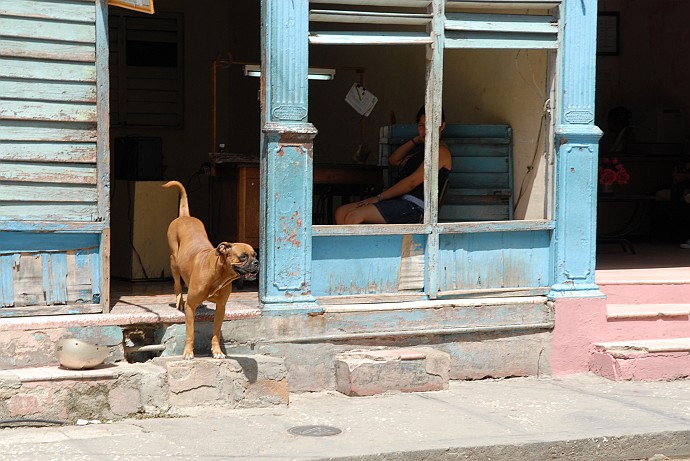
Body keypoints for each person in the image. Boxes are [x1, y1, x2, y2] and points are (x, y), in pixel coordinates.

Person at [334, 106, 452, 224]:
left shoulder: (441, 152)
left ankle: (355, 243)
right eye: (421, 126)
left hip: (416, 208)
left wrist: (378, 198)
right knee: (341, 212)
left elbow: (412, 182)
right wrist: (417, 140)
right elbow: (394, 160)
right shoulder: (422, 152)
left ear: (441, 126)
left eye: (430, 126)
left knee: (354, 216)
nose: (425, 130)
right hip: (402, 203)